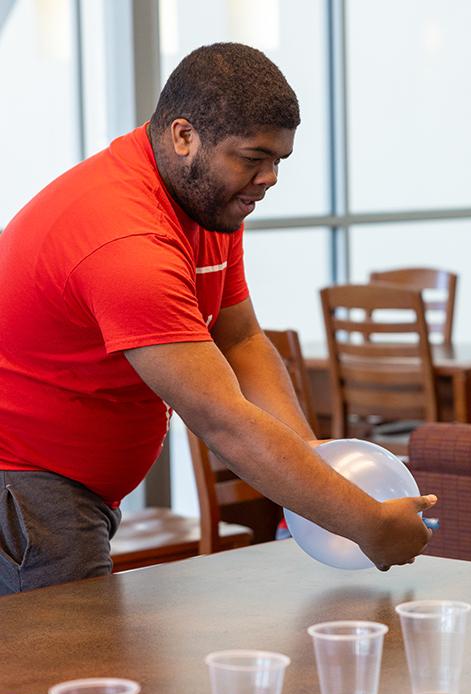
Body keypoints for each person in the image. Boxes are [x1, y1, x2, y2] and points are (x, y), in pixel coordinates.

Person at [0, 42, 435, 596]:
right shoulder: (126, 238)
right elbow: (220, 418)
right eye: (253, 158)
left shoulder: (207, 201)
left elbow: (241, 340)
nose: (269, 178)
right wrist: (368, 525)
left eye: (279, 160)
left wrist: (315, 464)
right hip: (25, 482)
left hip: (69, 485)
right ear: (184, 136)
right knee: (71, 676)